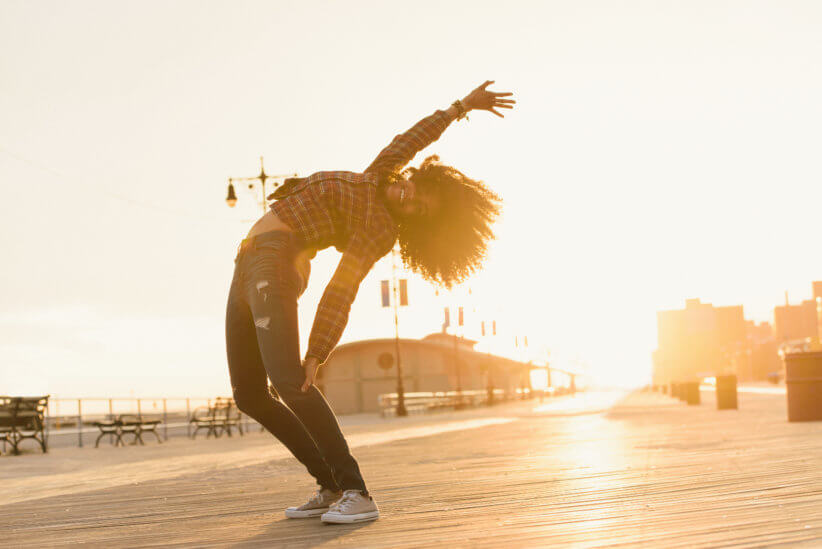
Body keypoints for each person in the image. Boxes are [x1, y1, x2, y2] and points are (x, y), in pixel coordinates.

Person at [225, 80, 515, 524]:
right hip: (245, 263)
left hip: (275, 265)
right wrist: (460, 107)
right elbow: (413, 137)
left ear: (417, 226)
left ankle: (356, 492)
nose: (408, 198)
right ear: (414, 177)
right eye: (416, 191)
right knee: (249, 395)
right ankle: (329, 485)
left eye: (418, 210)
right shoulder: (382, 171)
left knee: (290, 381)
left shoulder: (379, 228)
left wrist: (318, 352)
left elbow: (343, 286)